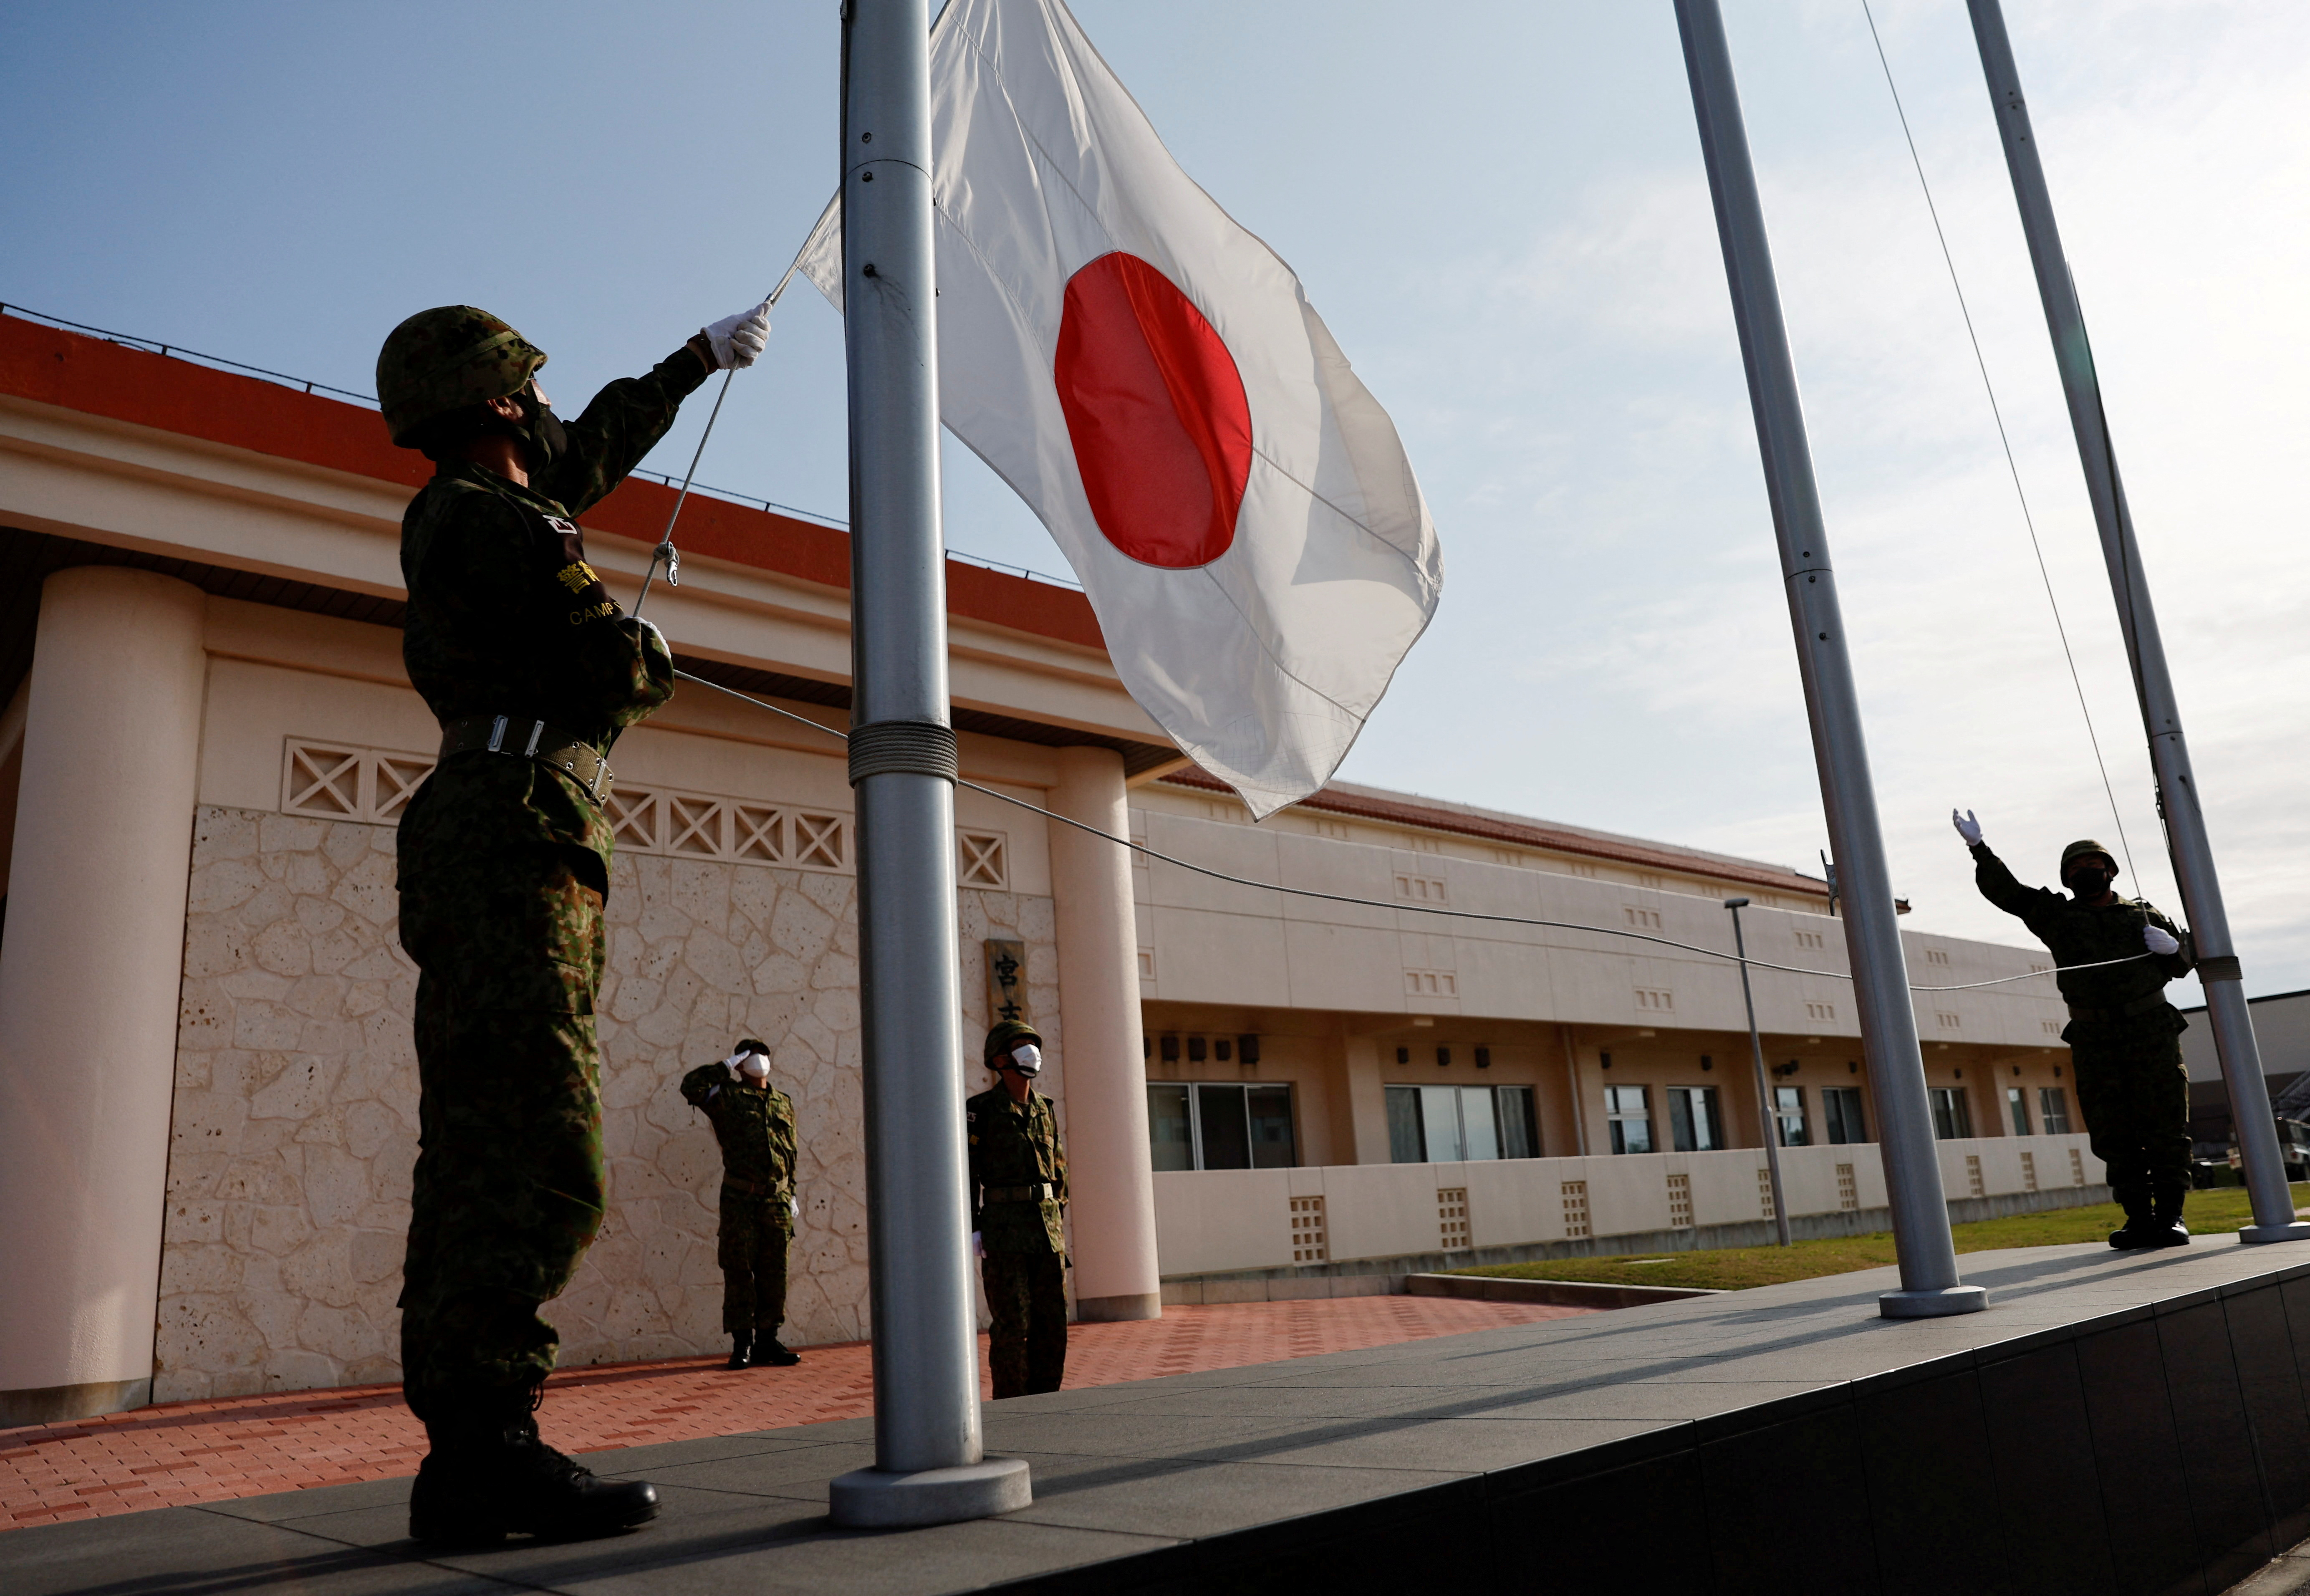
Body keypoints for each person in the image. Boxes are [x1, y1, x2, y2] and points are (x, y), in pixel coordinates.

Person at [378, 297, 771, 1544]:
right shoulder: (490, 522)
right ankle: (490, 1439)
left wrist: (692, 365)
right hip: (515, 836)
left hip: (504, 831)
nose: (547, 404)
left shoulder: (484, 503)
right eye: (529, 387)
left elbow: (587, 448)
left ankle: (467, 1452)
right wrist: (642, 647)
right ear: (497, 401)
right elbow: (616, 669)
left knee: (481, 1140)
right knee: (544, 1148)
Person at [1953, 810, 2194, 1249]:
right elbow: (2007, 893)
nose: (2086, 872)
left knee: (2165, 1125)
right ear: (2067, 879)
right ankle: (2139, 1218)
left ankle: (2171, 1215)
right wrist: (1979, 849)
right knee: (2112, 1131)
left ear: (2110, 870)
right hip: (2096, 1038)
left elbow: (2180, 967)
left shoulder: (2142, 913)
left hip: (2150, 1030)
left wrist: (2175, 947)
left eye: (2092, 865)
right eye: (2076, 869)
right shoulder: (2056, 916)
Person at [679, 1039, 802, 1369]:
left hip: (776, 1199)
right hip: (740, 1199)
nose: (758, 1060)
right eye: (750, 1055)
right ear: (742, 1063)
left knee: (775, 1272)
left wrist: (792, 1193)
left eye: (762, 1054)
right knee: (739, 1272)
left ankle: (767, 1340)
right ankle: (742, 1344)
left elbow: (789, 1153)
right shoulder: (727, 1098)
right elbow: (691, 1086)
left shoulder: (783, 1103)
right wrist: (726, 1066)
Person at [966, 1019, 1070, 1398]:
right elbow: (967, 1174)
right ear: (999, 1059)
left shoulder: (1045, 1108)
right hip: (1005, 1232)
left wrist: (1056, 1213)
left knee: (1052, 1321)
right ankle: (1012, 1405)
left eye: (1033, 1044)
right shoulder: (980, 1110)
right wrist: (974, 1227)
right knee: (1012, 1325)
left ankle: (1047, 1399)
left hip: (1046, 1232)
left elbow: (1059, 1170)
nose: (1033, 1051)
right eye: (1022, 1045)